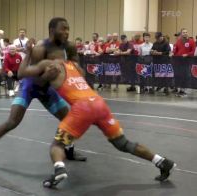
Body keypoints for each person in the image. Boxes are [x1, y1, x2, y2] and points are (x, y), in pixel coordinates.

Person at [18, 37, 176, 189]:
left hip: (82, 108)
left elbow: (23, 74)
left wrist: (28, 52)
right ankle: (161, 161)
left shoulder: (50, 67)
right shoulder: (74, 66)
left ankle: (59, 170)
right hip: (99, 104)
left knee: (57, 145)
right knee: (122, 143)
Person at [0, 17, 87, 167]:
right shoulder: (40, 48)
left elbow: (77, 71)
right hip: (31, 85)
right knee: (13, 121)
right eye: (63, 29)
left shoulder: (69, 47)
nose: (67, 32)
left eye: (68, 29)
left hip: (48, 87)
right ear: (52, 31)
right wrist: (48, 76)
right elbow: (28, 75)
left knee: (68, 119)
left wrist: (75, 73)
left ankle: (69, 149)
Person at [173, 28, 196, 97]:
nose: (185, 33)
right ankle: (180, 90)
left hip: (187, 61)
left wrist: (187, 54)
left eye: (186, 32)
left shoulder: (191, 41)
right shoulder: (178, 41)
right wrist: (172, 53)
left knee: (185, 75)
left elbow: (193, 51)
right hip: (179, 61)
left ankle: (183, 91)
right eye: (183, 32)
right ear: (181, 33)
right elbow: (175, 50)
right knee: (179, 75)